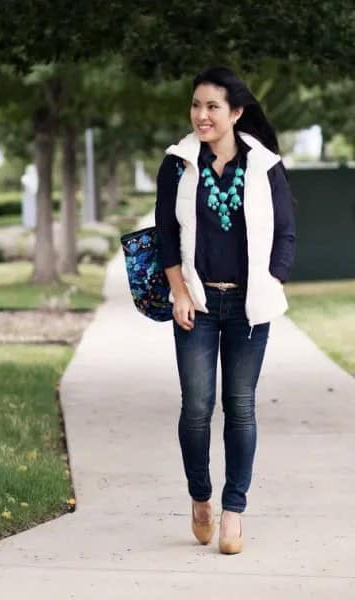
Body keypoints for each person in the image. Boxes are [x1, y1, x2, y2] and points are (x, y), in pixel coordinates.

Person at [154, 66, 296, 555]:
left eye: (212, 106)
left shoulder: (263, 165)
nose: (201, 115)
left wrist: (270, 282)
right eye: (196, 105)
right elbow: (165, 236)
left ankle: (234, 510)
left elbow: (286, 233)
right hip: (197, 300)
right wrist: (179, 292)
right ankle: (201, 497)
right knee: (196, 408)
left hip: (247, 307)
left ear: (235, 112)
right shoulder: (177, 164)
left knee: (240, 407)